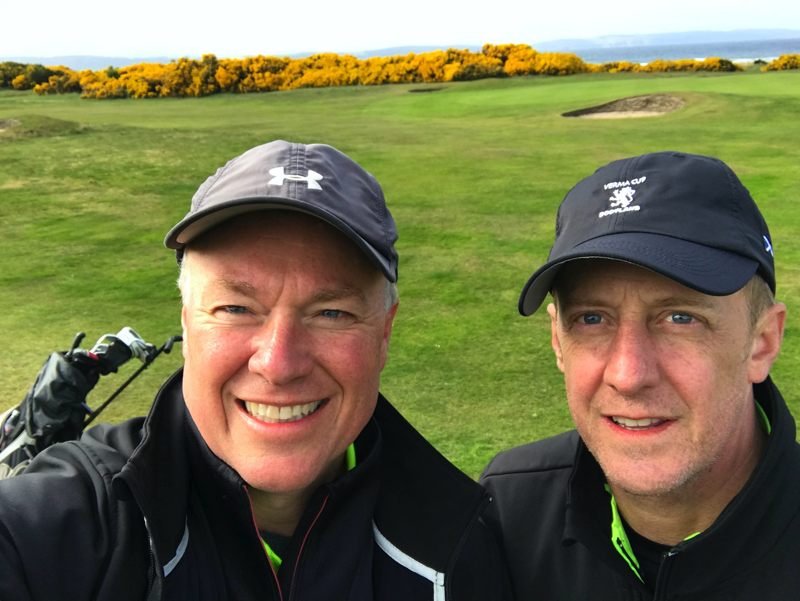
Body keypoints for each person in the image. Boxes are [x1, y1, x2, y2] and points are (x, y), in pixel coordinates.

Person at [0, 141, 510, 601]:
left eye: (332, 313)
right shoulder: (70, 521)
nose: (278, 363)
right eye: (235, 308)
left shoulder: (467, 544)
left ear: (383, 333)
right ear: (187, 322)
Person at [480, 151, 797, 600]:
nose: (628, 375)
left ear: (762, 341)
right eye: (592, 319)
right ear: (557, 341)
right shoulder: (509, 509)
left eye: (680, 318)